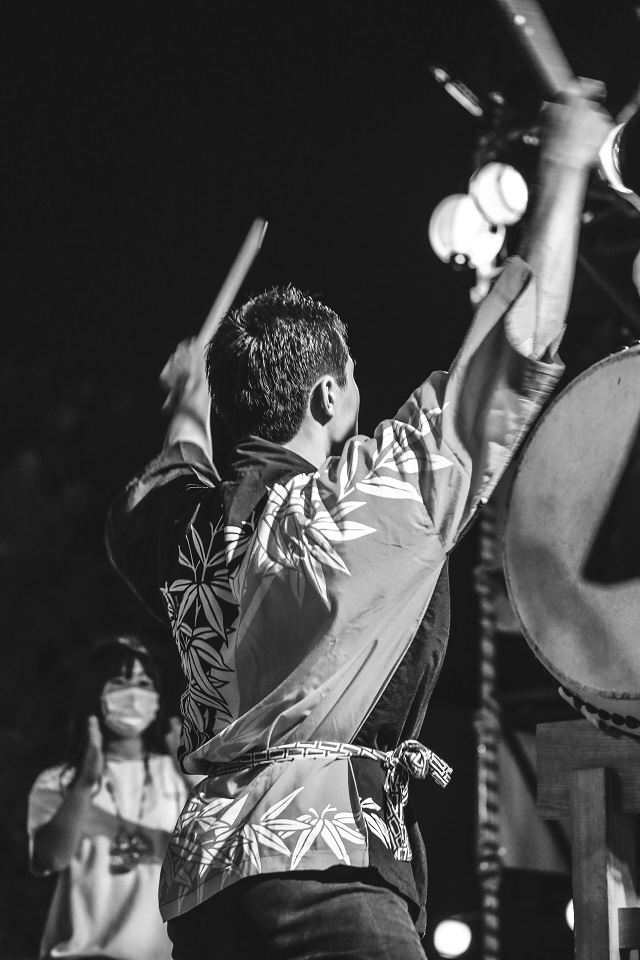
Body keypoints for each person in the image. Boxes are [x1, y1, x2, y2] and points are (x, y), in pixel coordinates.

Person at [106, 86, 610, 959]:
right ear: (327, 394)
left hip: (204, 897)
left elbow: (166, 474)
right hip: (321, 873)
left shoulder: (178, 527)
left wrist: (187, 405)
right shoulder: (352, 507)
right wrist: (564, 168)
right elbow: (520, 345)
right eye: (353, 380)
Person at [28, 636, 191, 960]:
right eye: (120, 681)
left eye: (144, 683)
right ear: (96, 693)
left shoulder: (176, 774)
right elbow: (47, 860)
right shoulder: (60, 780)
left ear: (157, 698)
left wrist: (190, 770)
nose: (134, 694)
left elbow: (215, 855)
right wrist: (87, 781)